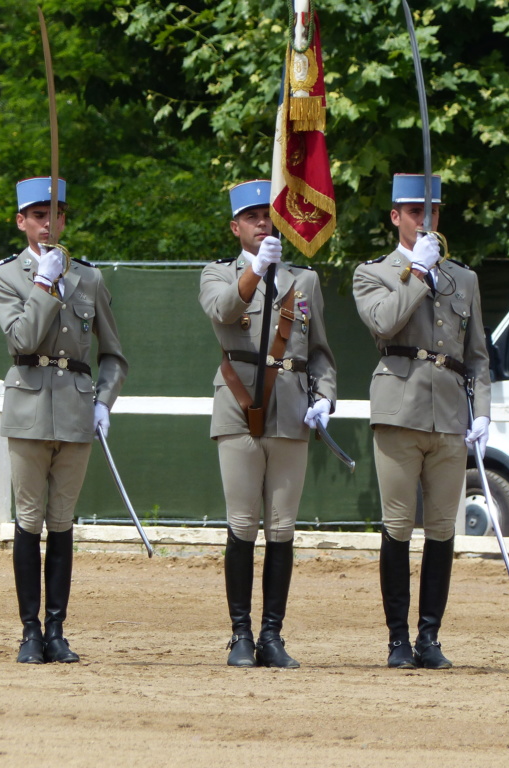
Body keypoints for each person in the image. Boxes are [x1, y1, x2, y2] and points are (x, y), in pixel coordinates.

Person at [352, 173, 491, 670]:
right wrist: (415, 272)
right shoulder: (374, 273)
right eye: (415, 212)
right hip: (399, 411)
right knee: (396, 527)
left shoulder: (463, 279)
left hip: (450, 415)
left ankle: (429, 637)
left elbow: (476, 356)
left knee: (440, 530)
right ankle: (397, 640)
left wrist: (483, 413)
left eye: (431, 212)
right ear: (396, 216)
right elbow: (384, 323)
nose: (425, 220)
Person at [0, 177, 127, 664]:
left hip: (74, 410)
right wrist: (44, 283)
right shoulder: (5, 276)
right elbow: (22, 340)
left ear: (65, 220)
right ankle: (29, 631)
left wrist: (104, 401)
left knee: (62, 524)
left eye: (57, 215)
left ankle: (56, 630)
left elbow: (113, 354)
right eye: (38, 215)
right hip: (27, 410)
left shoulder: (89, 278)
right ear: (22, 221)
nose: (48, 225)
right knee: (28, 523)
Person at [199, 179, 337, 669]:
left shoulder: (305, 280)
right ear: (236, 227)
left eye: (269, 216)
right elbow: (222, 310)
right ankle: (239, 634)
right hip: (239, 407)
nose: (263, 224)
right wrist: (256, 271)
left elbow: (319, 351)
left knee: (281, 527)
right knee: (242, 524)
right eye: (253, 217)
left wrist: (325, 397)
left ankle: (272, 635)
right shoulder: (217, 274)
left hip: (290, 407)